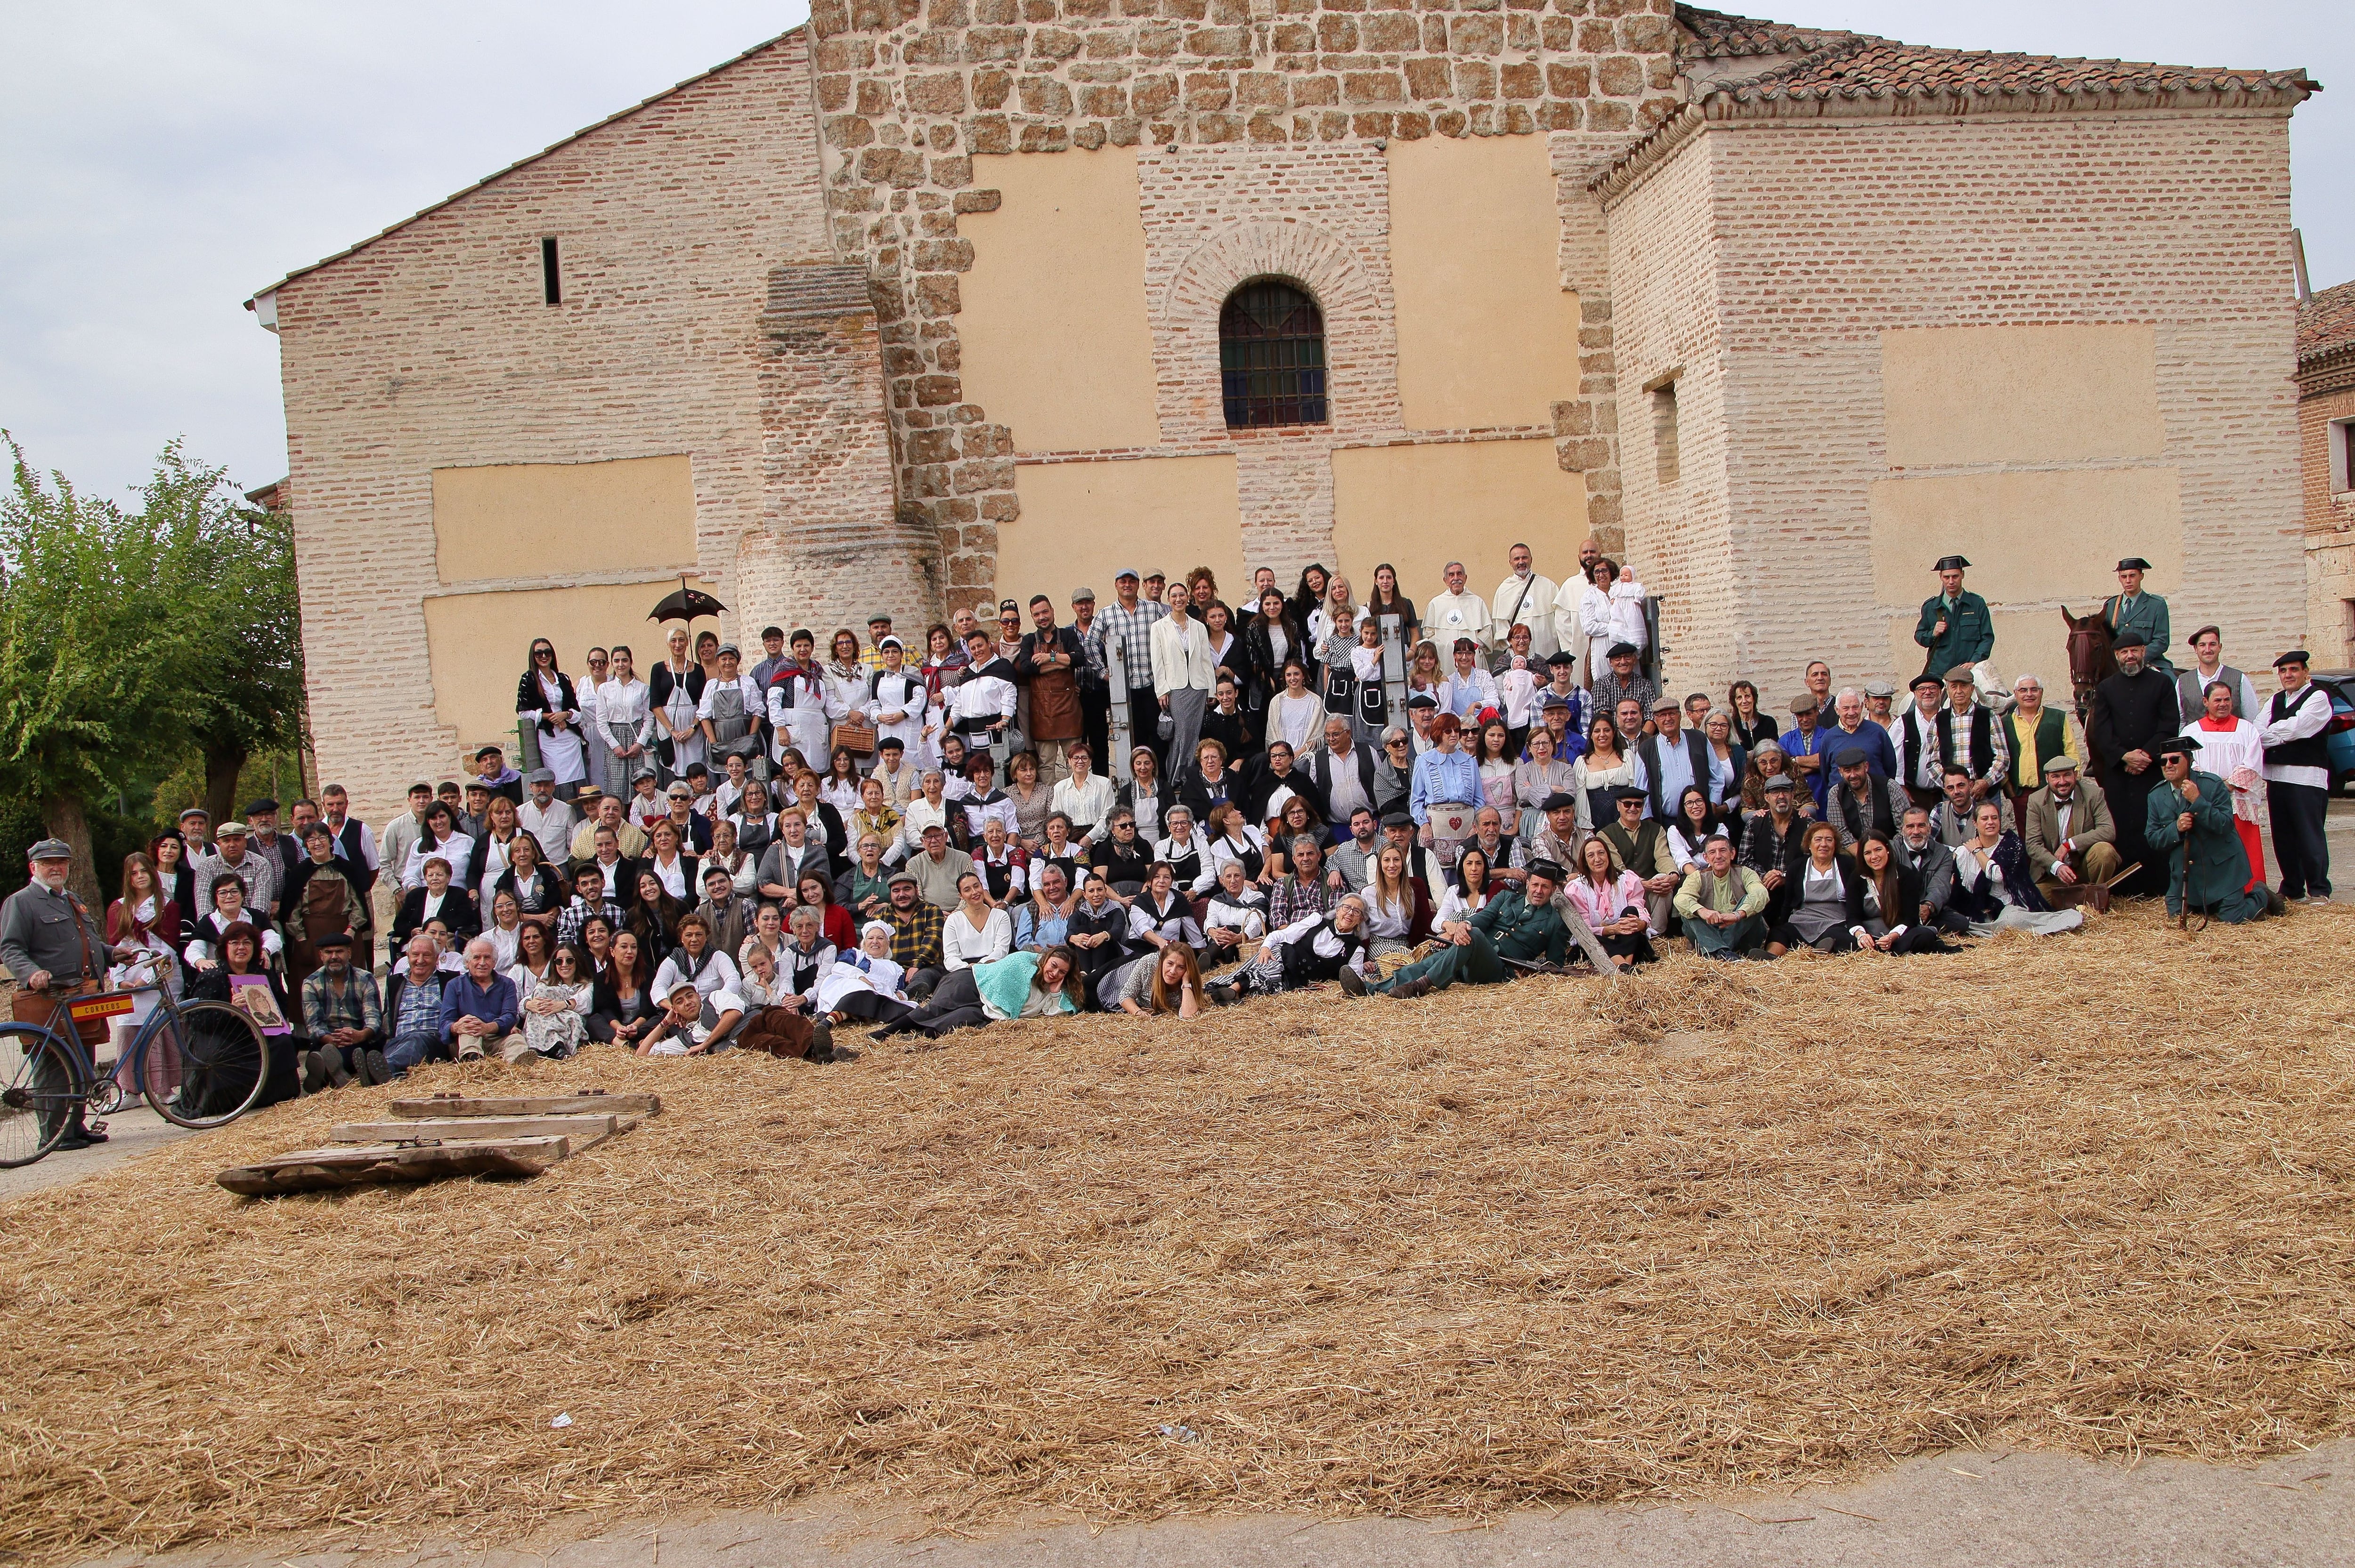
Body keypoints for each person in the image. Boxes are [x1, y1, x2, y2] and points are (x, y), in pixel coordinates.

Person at [2, 840, 119, 1148]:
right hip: (49, 999)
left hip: (82, 995)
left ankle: (75, 1125)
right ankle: (53, 1135)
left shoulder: (72, 899)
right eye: (48, 863)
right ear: (34, 868)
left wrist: (112, 954)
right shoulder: (22, 902)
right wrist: (31, 975)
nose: (56, 868)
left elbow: (87, 943)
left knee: (83, 1059)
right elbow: (11, 948)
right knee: (54, 1066)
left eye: (62, 862)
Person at [1366, 860, 1571, 998]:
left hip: (1497, 968)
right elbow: (1484, 917)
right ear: (1528, 883)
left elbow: (1555, 965)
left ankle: (1424, 984)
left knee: (1471, 935)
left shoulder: (1555, 921)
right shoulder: (1507, 898)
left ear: (1553, 890)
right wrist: (1465, 925)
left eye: (1545, 887)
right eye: (1535, 885)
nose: (1538, 891)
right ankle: (1371, 989)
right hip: (1466, 955)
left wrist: (1530, 972)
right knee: (1431, 961)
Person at [2145, 735, 2280, 924]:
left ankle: (2261, 895)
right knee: (2177, 920)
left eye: (2175, 760)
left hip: (2222, 870)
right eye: (2163, 761)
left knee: (2232, 918)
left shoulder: (2212, 785)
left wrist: (2198, 801)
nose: (2168, 765)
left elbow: (2225, 825)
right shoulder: (2156, 795)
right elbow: (2152, 838)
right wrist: (2176, 829)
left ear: (2189, 761)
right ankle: (2204, 903)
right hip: (2187, 875)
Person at [2087, 629, 2181, 898]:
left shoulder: (2162, 684)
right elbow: (2101, 731)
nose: (2130, 656)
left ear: (2143, 652)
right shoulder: (2106, 688)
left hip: (2152, 772)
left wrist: (2146, 756)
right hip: (2118, 773)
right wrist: (2124, 756)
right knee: (2122, 826)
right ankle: (2123, 888)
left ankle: (2157, 886)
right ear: (2117, 656)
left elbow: (2169, 726)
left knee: (2155, 823)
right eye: (2124, 652)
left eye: (2135, 651)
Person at [184, 922, 300, 1114]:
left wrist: (273, 1013)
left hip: (257, 1034)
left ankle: (276, 1094)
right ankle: (229, 1102)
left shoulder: (262, 973)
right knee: (218, 1056)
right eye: (235, 943)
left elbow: (282, 1004)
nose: (241, 948)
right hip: (222, 1035)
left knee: (283, 1043)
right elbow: (197, 1020)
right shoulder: (212, 976)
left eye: (247, 943)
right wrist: (230, 1009)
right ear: (225, 948)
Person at [868, 946, 1082, 1039]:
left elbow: (1058, 1012)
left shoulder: (1054, 989)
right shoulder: (1025, 961)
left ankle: (916, 1038)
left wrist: (1055, 992)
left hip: (989, 1009)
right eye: (1053, 966)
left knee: (957, 1020)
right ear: (1047, 959)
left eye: (1062, 972)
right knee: (937, 1009)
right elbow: (1005, 979)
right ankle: (886, 1032)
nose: (1054, 973)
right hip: (973, 982)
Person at [2259, 650, 2334, 903]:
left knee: (2309, 833)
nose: (2288, 675)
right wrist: (2271, 735)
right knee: (2283, 836)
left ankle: (2319, 889)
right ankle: (2292, 887)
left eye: (2293, 670)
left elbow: (2298, 728)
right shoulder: (2275, 700)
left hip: (2307, 777)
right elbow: (2257, 731)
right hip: (2277, 776)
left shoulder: (2318, 698)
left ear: (2305, 672)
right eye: (2283, 671)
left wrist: (2271, 735)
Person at [2182, 678, 2267, 889]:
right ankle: (2213, 893)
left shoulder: (2247, 730)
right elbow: (2189, 764)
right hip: (2206, 798)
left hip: (2238, 798)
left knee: (2244, 845)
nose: (2223, 704)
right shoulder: (2192, 733)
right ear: (2205, 702)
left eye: (2227, 700)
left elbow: (2253, 763)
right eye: (2217, 699)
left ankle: (2250, 890)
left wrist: (2228, 785)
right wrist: (2212, 787)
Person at [1952, 800, 2083, 936]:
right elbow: (1960, 889)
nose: (1990, 822)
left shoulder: (2011, 844)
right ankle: (1986, 928)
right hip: (1982, 909)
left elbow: (1997, 875)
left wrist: (1978, 851)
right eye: (1985, 819)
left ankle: (1991, 930)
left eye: (1994, 818)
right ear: (1975, 823)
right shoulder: (1964, 852)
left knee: (2012, 921)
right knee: (1958, 921)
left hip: (2012, 905)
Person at [1208, 896, 1373, 1002]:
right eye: (1346, 908)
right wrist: (1266, 947)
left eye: (1356, 911)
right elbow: (1282, 935)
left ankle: (1233, 993)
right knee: (1269, 966)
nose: (1350, 913)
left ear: (1361, 920)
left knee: (1271, 987)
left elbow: (1353, 979)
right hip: (1285, 955)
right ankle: (1233, 989)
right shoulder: (1316, 921)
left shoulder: (1356, 950)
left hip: (1298, 980)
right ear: (1337, 911)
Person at [2022, 756, 2124, 903]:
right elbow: (2033, 845)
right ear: (2047, 779)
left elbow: (2108, 830)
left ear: (2075, 775)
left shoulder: (2094, 794)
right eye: (2056, 777)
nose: (2062, 782)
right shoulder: (2036, 801)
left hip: (2084, 868)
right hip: (2055, 875)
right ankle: (2078, 898)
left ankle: (2096, 898)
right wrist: (2057, 866)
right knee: (2035, 901)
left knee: (2104, 851)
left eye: (2067, 775)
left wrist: (2069, 845)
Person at [281, 823, 366, 990]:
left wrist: (351, 930)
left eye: (322, 838)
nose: (317, 843)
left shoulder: (346, 868)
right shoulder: (299, 873)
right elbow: (292, 910)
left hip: (345, 934)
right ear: (306, 845)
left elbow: (358, 905)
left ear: (330, 840)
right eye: (311, 839)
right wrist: (302, 939)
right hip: (311, 937)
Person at [1761, 824, 1867, 956]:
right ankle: (1770, 958)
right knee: (1779, 933)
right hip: (1803, 920)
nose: (1824, 844)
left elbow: (1857, 899)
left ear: (1835, 845)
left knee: (1840, 937)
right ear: (1809, 845)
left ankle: (1820, 953)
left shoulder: (1847, 864)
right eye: (1818, 839)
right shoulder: (1798, 866)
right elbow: (1787, 902)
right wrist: (1783, 924)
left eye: (1829, 840)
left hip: (1835, 921)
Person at [297, 930, 384, 1089]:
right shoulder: (311, 983)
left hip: (360, 1038)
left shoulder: (365, 979)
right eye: (329, 953)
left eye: (339, 951)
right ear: (321, 956)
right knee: (322, 1054)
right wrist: (330, 1039)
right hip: (328, 1041)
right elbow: (313, 1024)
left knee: (359, 1052)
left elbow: (374, 1017)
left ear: (349, 953)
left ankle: (326, 1076)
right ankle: (331, 1073)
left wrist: (362, 1034)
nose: (334, 957)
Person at [1999, 673, 2084, 830]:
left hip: (2054, 791)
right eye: (2023, 690)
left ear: (2041, 692)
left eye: (2034, 690)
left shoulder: (2058, 717)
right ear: (2016, 694)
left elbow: (2071, 751)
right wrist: (2011, 791)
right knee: (2028, 840)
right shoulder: (2004, 723)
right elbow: (2000, 757)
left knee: (2057, 835)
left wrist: (2072, 783)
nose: (2029, 694)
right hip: (2021, 794)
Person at [1149, 581, 1216, 771]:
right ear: (1169, 600)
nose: (1178, 599)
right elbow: (1158, 662)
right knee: (1181, 734)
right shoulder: (1159, 627)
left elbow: (1205, 660)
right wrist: (1162, 690)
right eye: (1174, 596)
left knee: (1194, 733)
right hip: (1175, 688)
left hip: (1198, 688)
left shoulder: (1199, 626)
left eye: (1182, 595)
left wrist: (1211, 689)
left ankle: (1192, 774)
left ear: (1188, 598)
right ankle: (1176, 776)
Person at [1853, 832, 1957, 954]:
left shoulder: (1904, 874)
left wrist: (1892, 937)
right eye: (1868, 853)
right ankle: (1878, 949)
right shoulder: (1857, 878)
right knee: (1839, 936)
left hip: (1900, 932)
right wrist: (1862, 936)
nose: (1874, 856)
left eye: (1878, 850)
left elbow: (1910, 918)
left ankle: (1887, 950)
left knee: (1925, 935)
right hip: (1870, 932)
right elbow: (1852, 916)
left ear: (1887, 850)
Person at [1597, 786, 1681, 935]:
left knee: (1664, 881)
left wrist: (1672, 874)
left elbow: (1663, 857)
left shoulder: (1656, 830)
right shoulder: (1605, 834)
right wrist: (1642, 883)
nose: (1633, 808)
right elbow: (1618, 868)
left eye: (1638, 804)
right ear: (1618, 806)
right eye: (1628, 804)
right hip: (1623, 895)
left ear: (1643, 807)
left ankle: (1656, 932)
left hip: (1651, 894)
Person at [1673, 831, 1767, 961]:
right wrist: (1703, 912)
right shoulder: (1698, 877)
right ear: (1707, 858)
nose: (1718, 856)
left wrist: (1737, 915)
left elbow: (1761, 894)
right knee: (1689, 911)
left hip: (1741, 935)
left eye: (1723, 851)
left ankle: (1717, 950)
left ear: (1732, 854)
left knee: (1752, 902)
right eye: (1712, 852)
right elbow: (1681, 899)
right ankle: (1724, 952)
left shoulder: (1746, 873)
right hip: (1709, 930)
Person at [1569, 835, 1659, 968]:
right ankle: (1624, 965)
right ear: (1585, 861)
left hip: (1626, 939)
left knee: (1631, 914)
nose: (1597, 859)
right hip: (1598, 942)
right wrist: (1611, 930)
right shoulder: (1577, 889)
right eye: (1591, 856)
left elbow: (1638, 907)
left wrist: (1642, 923)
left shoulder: (1626, 880)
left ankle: (1624, 965)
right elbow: (1585, 929)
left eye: (1601, 853)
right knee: (1593, 940)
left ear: (1608, 856)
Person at [515, 637, 587, 789]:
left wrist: (565, 715)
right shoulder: (529, 679)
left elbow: (577, 713)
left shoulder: (562, 678)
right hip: (550, 739)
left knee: (578, 781)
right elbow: (523, 712)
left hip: (569, 737)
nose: (543, 656)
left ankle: (579, 811)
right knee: (558, 780)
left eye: (547, 652)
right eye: (539, 653)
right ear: (533, 657)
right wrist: (549, 717)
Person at [1938, 665, 2010, 808]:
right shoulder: (1938, 720)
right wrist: (1951, 786)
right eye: (1954, 687)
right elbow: (1932, 761)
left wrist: (1985, 782)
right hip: (1953, 797)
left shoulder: (1989, 716)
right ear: (1948, 690)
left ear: (1972, 689)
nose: (1959, 691)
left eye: (1964, 686)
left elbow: (2003, 757)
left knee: (1989, 831)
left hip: (1986, 794)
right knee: (1954, 831)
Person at [1891, 806, 1968, 935]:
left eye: (1921, 826)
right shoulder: (1891, 851)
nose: (1916, 832)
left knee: (1961, 923)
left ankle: (1918, 930)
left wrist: (1928, 906)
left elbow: (1941, 885)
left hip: (1930, 912)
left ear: (1930, 828)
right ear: (1903, 830)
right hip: (1899, 911)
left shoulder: (1944, 853)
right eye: (1910, 826)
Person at [1914, 554, 1993, 677]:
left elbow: (1987, 638)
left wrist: (1974, 662)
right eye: (1947, 577)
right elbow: (1920, 637)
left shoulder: (1977, 604)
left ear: (1962, 575)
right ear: (1941, 577)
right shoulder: (1931, 607)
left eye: (1955, 576)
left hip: (1969, 673)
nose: (1951, 582)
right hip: (1939, 674)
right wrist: (1933, 634)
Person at [193, 819, 282, 924]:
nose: (232, 845)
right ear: (219, 843)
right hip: (216, 928)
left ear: (245, 842)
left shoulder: (261, 864)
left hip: (253, 927)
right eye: (226, 841)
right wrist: (214, 929)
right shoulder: (206, 866)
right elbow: (204, 908)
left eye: (237, 840)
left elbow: (260, 907)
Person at [637, 978, 746, 1057]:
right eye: (680, 1002)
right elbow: (641, 1055)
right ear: (675, 1009)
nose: (688, 1003)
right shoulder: (685, 1038)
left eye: (690, 996)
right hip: (743, 1049)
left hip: (753, 1027)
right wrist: (666, 1023)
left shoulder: (714, 998)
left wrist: (704, 1045)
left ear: (698, 996)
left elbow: (734, 1013)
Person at [2174, 626, 2260, 726]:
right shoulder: (2183, 681)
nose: (2208, 650)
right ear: (2196, 649)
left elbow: (2251, 719)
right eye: (2203, 645)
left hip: (2231, 739)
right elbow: (2180, 721)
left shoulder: (2239, 678)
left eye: (2212, 644)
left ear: (2220, 647)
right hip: (2195, 740)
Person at [588, 929, 659, 1048]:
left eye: (634, 947)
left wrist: (635, 1026)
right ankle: (621, 1044)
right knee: (594, 1021)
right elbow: (604, 1010)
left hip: (641, 1026)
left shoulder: (649, 974)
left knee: (660, 1019)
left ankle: (642, 1040)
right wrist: (619, 1028)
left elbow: (649, 1009)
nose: (630, 952)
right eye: (624, 947)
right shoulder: (602, 978)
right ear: (612, 951)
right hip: (616, 1028)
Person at [1824, 748, 1904, 853]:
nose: (1853, 775)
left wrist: (1884, 853)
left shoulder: (1890, 787)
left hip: (1890, 851)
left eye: (1857, 769)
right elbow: (1841, 832)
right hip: (1855, 854)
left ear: (1866, 767)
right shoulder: (1835, 794)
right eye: (1847, 771)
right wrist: (1864, 857)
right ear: (1841, 772)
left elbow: (1903, 828)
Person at [1487, 542, 1558, 658]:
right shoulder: (1504, 589)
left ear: (1531, 559)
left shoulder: (1548, 586)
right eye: (1517, 559)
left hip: (1546, 648)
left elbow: (1559, 619)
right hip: (1518, 653)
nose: (1521, 562)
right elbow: (1501, 626)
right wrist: (1514, 645)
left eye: (1525, 558)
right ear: (1511, 563)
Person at [2103, 557, 2172, 674]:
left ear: (2141, 576)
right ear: (2119, 578)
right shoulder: (2111, 606)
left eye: (2132, 576)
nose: (2128, 581)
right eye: (2124, 577)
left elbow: (2162, 641)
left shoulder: (2156, 604)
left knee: (2172, 684)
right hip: (2119, 664)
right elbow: (2106, 640)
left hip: (2150, 662)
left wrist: (2138, 658)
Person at [1117, 942, 1206, 1019]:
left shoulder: (1189, 981)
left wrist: (1186, 983)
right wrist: (1138, 1012)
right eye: (1170, 964)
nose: (1173, 971)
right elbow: (1125, 995)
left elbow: (1189, 1016)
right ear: (1162, 961)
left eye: (1181, 967)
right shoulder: (1149, 963)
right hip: (1121, 974)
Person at [1422, 559, 1489, 655]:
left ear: (1465, 578)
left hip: (1471, 655)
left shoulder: (1477, 602)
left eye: (1459, 574)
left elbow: (1487, 631)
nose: (1456, 578)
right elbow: (1428, 634)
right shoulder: (1435, 603)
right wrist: (1442, 647)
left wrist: (1472, 647)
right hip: (1444, 656)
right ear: (1445, 580)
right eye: (1451, 575)